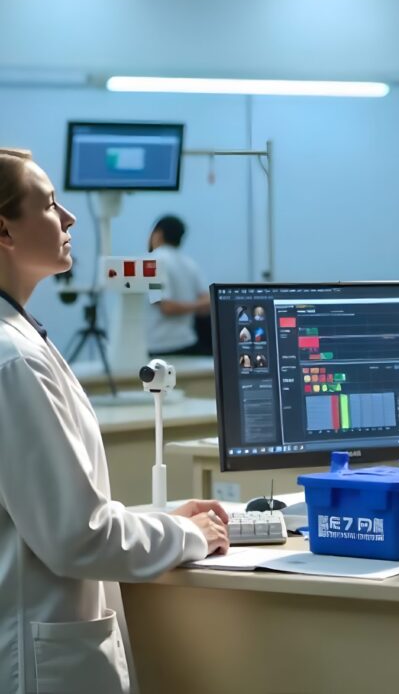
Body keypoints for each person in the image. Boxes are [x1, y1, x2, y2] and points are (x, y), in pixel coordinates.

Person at [0, 150, 230, 694]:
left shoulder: (19, 342)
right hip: (39, 660)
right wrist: (185, 534)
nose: (70, 218)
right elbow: (77, 536)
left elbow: (45, 511)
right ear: (4, 231)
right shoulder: (15, 360)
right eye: (51, 204)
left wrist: (156, 517)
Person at [147, 214, 211, 356]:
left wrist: (190, 305)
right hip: (188, 343)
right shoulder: (190, 264)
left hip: (158, 346)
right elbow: (207, 302)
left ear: (158, 234)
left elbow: (165, 307)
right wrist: (195, 305)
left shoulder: (152, 263)